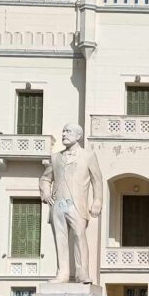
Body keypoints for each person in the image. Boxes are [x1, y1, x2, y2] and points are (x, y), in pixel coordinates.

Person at [39, 121, 104, 284]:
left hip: (77, 204)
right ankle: (62, 273)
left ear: (78, 136)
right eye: (63, 131)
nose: (64, 134)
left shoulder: (88, 156)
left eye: (68, 131)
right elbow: (46, 178)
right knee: (60, 240)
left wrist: (97, 201)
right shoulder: (55, 157)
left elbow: (98, 180)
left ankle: (82, 273)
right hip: (58, 204)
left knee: (79, 236)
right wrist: (46, 193)